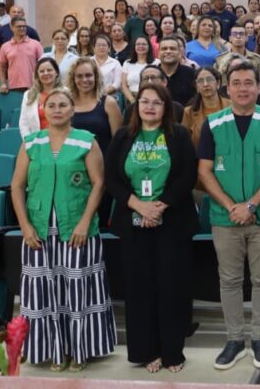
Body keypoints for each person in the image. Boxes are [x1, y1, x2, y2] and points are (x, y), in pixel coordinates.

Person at [10, 87, 116, 371]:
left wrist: (84, 222)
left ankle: (79, 351)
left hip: (77, 230)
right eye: (52, 105)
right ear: (43, 109)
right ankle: (55, 351)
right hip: (39, 233)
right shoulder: (31, 143)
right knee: (45, 292)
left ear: (72, 110)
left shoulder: (86, 141)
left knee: (77, 290)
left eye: (63, 105)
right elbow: (17, 186)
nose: (57, 109)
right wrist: (25, 225)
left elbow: (99, 183)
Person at [197, 62, 260, 371]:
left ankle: (259, 338)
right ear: (227, 87)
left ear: (259, 87)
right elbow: (204, 171)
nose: (243, 88)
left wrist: (250, 205)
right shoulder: (213, 123)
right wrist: (231, 205)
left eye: (249, 82)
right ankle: (234, 339)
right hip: (224, 217)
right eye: (237, 83)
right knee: (230, 280)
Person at [105, 82, 198, 374]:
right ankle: (147, 352)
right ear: (136, 106)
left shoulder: (179, 135)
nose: (149, 107)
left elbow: (187, 175)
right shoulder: (123, 136)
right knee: (140, 289)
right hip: (133, 222)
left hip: (171, 221)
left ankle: (173, 353)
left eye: (156, 102)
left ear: (166, 107)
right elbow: (112, 178)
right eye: (144, 101)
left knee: (170, 288)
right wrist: (138, 205)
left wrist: (159, 206)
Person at [67, 57, 122, 225]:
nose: (85, 80)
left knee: (100, 221)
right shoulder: (67, 104)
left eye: (89, 75)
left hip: (102, 173)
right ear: (73, 79)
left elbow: (118, 143)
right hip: (73, 173)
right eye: (80, 76)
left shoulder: (108, 103)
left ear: (96, 77)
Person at [19, 57, 63, 138]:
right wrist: (29, 142)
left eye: (49, 70)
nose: (46, 73)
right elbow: (23, 123)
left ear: (56, 72)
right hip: (37, 143)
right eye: (42, 71)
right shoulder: (28, 95)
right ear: (37, 75)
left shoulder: (65, 93)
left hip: (62, 140)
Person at [0, 16, 44, 93]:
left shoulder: (36, 44)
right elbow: (2, 67)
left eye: (24, 26)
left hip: (33, 86)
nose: (22, 28)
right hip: (13, 87)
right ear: (11, 28)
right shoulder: (5, 46)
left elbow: (43, 64)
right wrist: (3, 83)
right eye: (19, 26)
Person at [157, 36, 197, 105]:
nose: (168, 51)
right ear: (158, 54)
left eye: (172, 49)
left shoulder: (192, 74)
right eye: (164, 49)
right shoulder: (151, 75)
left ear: (179, 54)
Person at [121, 35, 159, 106]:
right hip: (131, 98)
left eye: (144, 44)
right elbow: (124, 85)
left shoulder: (157, 62)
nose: (141, 46)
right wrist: (132, 100)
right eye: (138, 44)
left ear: (149, 47)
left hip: (152, 98)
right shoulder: (127, 63)